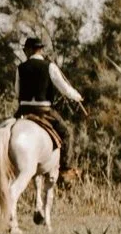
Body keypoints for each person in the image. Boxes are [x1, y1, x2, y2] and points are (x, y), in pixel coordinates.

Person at [14, 35, 84, 173]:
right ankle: (65, 168)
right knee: (66, 134)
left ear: (28, 50)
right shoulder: (50, 66)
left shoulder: (20, 68)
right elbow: (64, 88)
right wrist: (77, 96)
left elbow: (17, 91)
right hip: (43, 110)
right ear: (39, 50)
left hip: (23, 110)